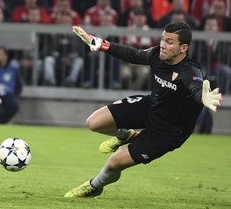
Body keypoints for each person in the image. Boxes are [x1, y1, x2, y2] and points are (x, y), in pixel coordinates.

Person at [65, 22, 223, 197]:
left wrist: (202, 96)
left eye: (170, 42)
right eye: (163, 39)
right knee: (93, 122)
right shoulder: (157, 54)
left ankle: (94, 186)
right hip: (150, 107)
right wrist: (101, 44)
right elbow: (134, 54)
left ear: (183, 48)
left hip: (169, 131)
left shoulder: (189, 70)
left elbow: (195, 85)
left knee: (114, 162)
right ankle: (127, 135)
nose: (163, 44)